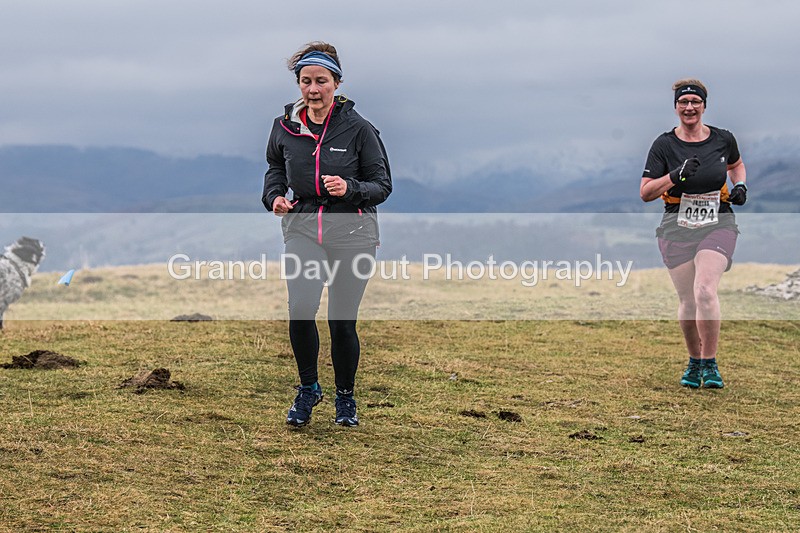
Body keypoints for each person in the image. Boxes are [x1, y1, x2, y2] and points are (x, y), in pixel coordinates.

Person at [262, 42, 392, 427]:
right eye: (306, 81)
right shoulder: (283, 127)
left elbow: (382, 185)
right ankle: (308, 390)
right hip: (302, 227)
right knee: (301, 310)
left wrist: (349, 189)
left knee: (341, 320)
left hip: (353, 232)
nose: (313, 89)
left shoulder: (360, 129)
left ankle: (346, 398)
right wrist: (273, 198)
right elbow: (274, 167)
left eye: (321, 80)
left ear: (336, 82)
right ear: (298, 84)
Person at [640, 78, 747, 389]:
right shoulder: (664, 145)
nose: (689, 107)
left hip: (718, 223)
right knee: (687, 299)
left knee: (704, 290)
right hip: (676, 227)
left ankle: (710, 365)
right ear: (675, 108)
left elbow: (737, 165)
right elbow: (646, 193)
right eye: (683, 102)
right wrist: (675, 175)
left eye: (695, 102)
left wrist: (739, 185)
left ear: (704, 106)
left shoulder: (723, 139)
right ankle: (694, 361)